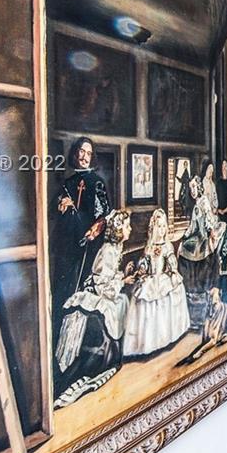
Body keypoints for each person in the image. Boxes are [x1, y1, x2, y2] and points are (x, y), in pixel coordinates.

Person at [54, 210, 132, 409]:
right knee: (120, 302)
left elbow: (110, 277)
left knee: (123, 301)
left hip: (104, 292)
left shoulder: (115, 249)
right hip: (95, 298)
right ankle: (105, 359)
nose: (129, 228)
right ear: (117, 230)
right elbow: (102, 286)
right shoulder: (107, 250)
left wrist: (123, 275)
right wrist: (123, 280)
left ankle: (117, 353)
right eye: (126, 226)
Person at [51, 137, 110, 326]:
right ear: (75, 153)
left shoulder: (96, 182)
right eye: (81, 152)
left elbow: (104, 216)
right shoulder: (68, 182)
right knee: (62, 291)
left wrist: (94, 229)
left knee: (81, 290)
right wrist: (61, 204)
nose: (84, 157)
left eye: (88, 153)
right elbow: (53, 209)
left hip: (86, 245)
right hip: (65, 245)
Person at [123, 209, 190, 359]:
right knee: (143, 296)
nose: (161, 230)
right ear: (153, 228)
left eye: (163, 226)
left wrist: (171, 270)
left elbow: (172, 264)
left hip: (164, 278)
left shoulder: (167, 246)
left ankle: (166, 337)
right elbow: (145, 263)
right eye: (158, 226)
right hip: (151, 278)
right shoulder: (149, 247)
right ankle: (146, 343)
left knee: (167, 294)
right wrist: (142, 268)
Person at [176, 161, 222, 301]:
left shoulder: (204, 202)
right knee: (183, 247)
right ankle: (190, 287)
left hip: (204, 237)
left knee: (192, 249)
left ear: (199, 187)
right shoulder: (196, 204)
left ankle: (198, 288)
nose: (192, 190)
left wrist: (210, 233)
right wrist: (184, 236)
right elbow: (193, 226)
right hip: (197, 235)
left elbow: (209, 220)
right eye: (191, 188)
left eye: (194, 187)